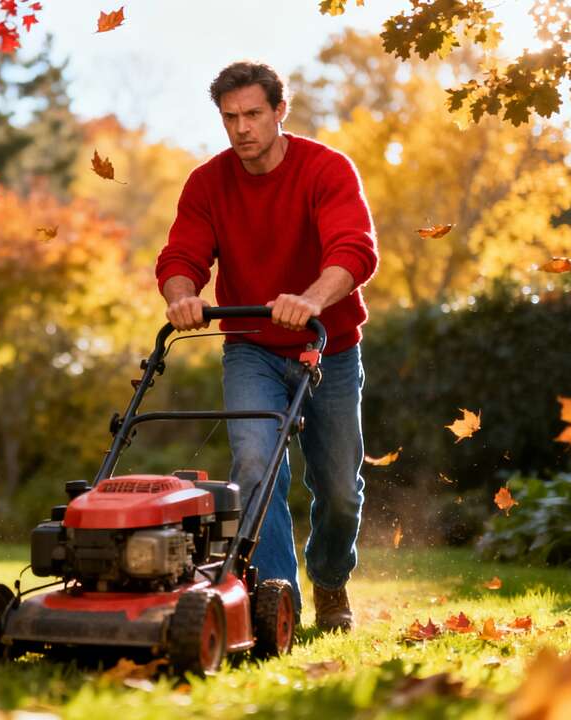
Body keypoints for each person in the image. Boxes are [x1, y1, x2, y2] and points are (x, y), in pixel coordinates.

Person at [155, 61, 378, 632]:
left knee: (339, 488)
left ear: (280, 110)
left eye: (253, 114)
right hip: (251, 347)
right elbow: (182, 255)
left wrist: (310, 299)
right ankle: (279, 605)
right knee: (255, 466)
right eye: (230, 117)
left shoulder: (325, 169)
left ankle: (330, 580)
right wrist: (182, 296)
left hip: (329, 347)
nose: (242, 128)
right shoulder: (208, 183)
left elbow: (354, 249)